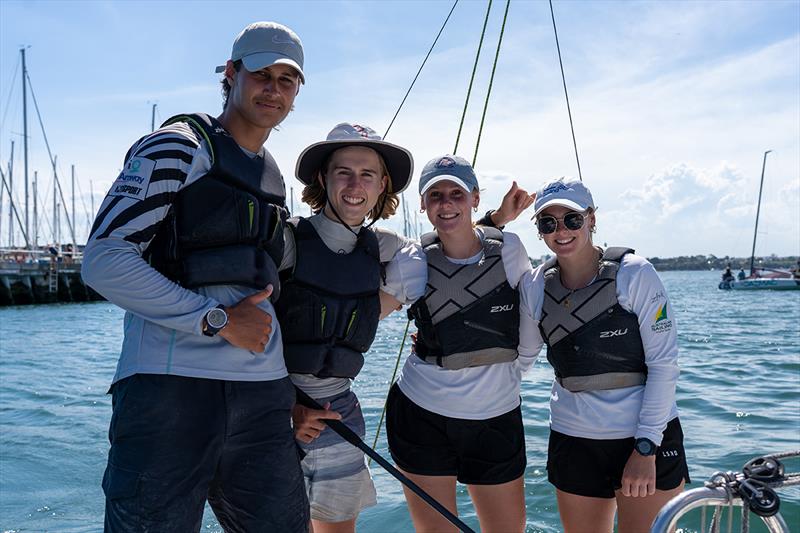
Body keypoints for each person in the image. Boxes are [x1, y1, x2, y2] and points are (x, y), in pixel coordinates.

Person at [82, 22, 310, 532]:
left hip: (264, 398)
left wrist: (297, 392)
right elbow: (104, 259)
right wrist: (215, 320)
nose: (273, 89)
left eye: (287, 80)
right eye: (261, 74)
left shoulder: (272, 175)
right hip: (169, 394)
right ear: (231, 74)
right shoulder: (175, 147)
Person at [279, 130, 533, 532]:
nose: (355, 184)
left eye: (367, 174)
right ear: (322, 180)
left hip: (338, 413)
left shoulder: (392, 247)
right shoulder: (288, 241)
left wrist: (495, 222)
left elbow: (466, 251)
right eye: (343, 172)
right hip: (284, 408)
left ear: (382, 185)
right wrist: (283, 404)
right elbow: (246, 328)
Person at [381, 154, 540, 533]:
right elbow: (361, 319)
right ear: (421, 204)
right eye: (435, 195)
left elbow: (532, 321)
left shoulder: (510, 249)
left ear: (475, 198)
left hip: (496, 417)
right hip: (421, 414)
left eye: (457, 193)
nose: (446, 203)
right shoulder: (412, 260)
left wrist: (510, 375)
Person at [522, 177, 690, 533]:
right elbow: (521, 357)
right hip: (574, 438)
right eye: (547, 223)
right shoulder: (535, 285)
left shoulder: (636, 274)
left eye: (571, 219)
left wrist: (645, 448)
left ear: (592, 219)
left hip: (645, 439)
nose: (560, 231)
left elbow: (664, 366)